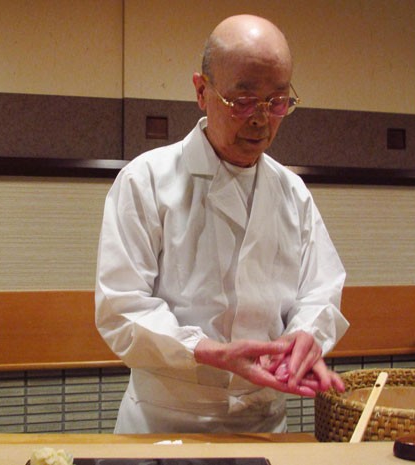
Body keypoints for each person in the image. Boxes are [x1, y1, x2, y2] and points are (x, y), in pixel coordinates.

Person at [95, 14, 349, 434]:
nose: (261, 118)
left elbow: (320, 289)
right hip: (165, 422)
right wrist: (207, 350)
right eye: (243, 101)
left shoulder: (292, 192)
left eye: (278, 102)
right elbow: (121, 308)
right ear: (201, 90)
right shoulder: (147, 181)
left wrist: (304, 337)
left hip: (262, 423)